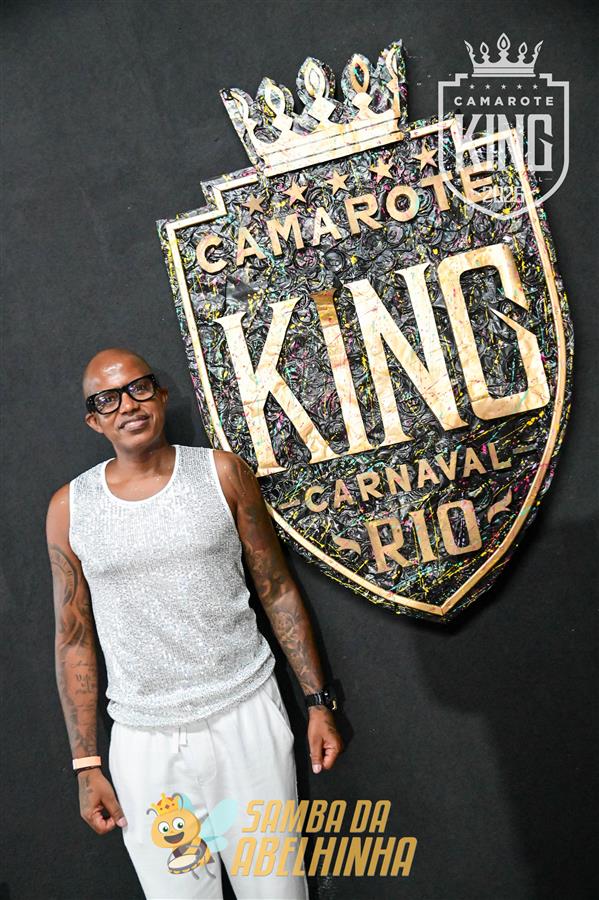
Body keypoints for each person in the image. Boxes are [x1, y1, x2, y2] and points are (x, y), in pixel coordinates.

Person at [46, 347, 344, 900]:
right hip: (143, 742)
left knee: (278, 892)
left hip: (245, 715)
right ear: (93, 421)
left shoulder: (222, 473)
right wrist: (86, 764)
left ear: (160, 394)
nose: (127, 406)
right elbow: (74, 639)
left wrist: (318, 702)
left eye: (138, 388)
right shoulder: (70, 507)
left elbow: (276, 588)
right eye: (107, 400)